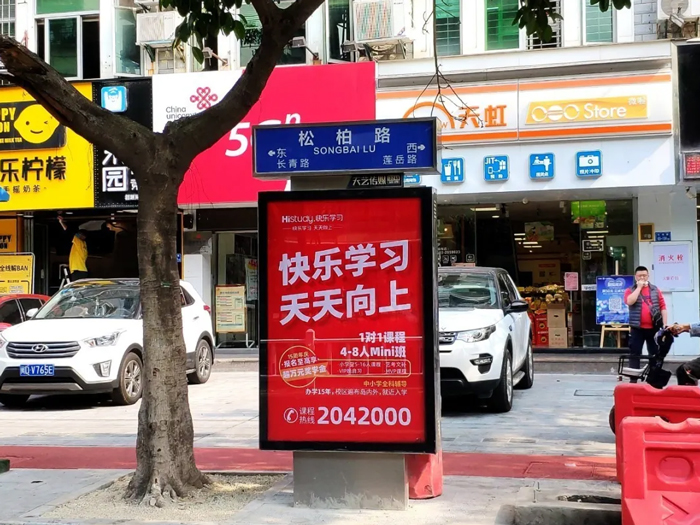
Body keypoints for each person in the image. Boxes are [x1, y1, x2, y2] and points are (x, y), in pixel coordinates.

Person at [623, 266, 668, 375]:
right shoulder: (630, 290)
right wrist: (638, 288)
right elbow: (629, 301)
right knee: (635, 353)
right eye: (640, 276)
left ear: (648, 276)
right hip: (637, 328)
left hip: (653, 328)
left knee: (654, 353)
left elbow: (663, 307)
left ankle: (653, 377)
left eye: (644, 275)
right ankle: (633, 378)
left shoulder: (655, 290)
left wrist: (665, 324)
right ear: (635, 277)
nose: (642, 278)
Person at [58, 215, 89, 281]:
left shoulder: (79, 242)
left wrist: (61, 222)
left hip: (78, 271)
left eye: (79, 234)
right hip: (81, 270)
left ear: (83, 236)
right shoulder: (83, 244)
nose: (77, 235)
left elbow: (68, 231)